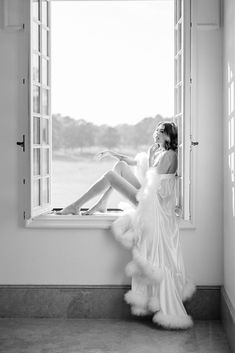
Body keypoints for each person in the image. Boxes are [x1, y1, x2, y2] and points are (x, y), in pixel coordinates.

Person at [57, 121, 178, 215]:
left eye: (161, 131)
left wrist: (151, 157)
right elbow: (133, 162)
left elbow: (153, 181)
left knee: (110, 175)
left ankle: (76, 206)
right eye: (157, 130)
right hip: (149, 194)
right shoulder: (157, 150)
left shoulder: (169, 155)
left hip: (154, 203)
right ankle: (102, 202)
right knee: (121, 166)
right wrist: (111, 153)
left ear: (169, 136)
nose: (157, 132)